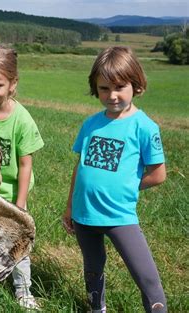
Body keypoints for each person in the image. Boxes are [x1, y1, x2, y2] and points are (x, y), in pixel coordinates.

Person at [62, 46, 167, 313]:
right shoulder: (91, 124)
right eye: (104, 88)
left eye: (120, 87)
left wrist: (128, 185)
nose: (112, 95)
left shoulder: (144, 127)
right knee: (92, 268)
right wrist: (70, 206)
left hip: (120, 216)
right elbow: (81, 165)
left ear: (137, 85)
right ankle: (98, 308)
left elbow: (158, 174)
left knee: (146, 277)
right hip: (85, 215)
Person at [0, 44, 44, 310]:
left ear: (12, 84)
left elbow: (25, 164)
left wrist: (21, 204)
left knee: (18, 245)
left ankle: (23, 291)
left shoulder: (21, 119)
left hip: (13, 195)